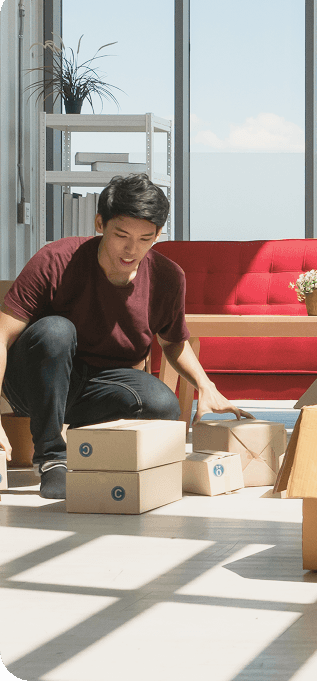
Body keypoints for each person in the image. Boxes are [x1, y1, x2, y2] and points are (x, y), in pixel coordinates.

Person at [0, 173, 252, 499]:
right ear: (100, 223)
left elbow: (173, 342)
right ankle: (51, 457)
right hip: (35, 379)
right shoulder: (56, 260)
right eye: (121, 235)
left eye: (146, 238)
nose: (132, 249)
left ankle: (85, 447)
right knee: (56, 331)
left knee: (162, 405)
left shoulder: (167, 278)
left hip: (97, 386)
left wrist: (207, 386)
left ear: (159, 234)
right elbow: (2, 336)